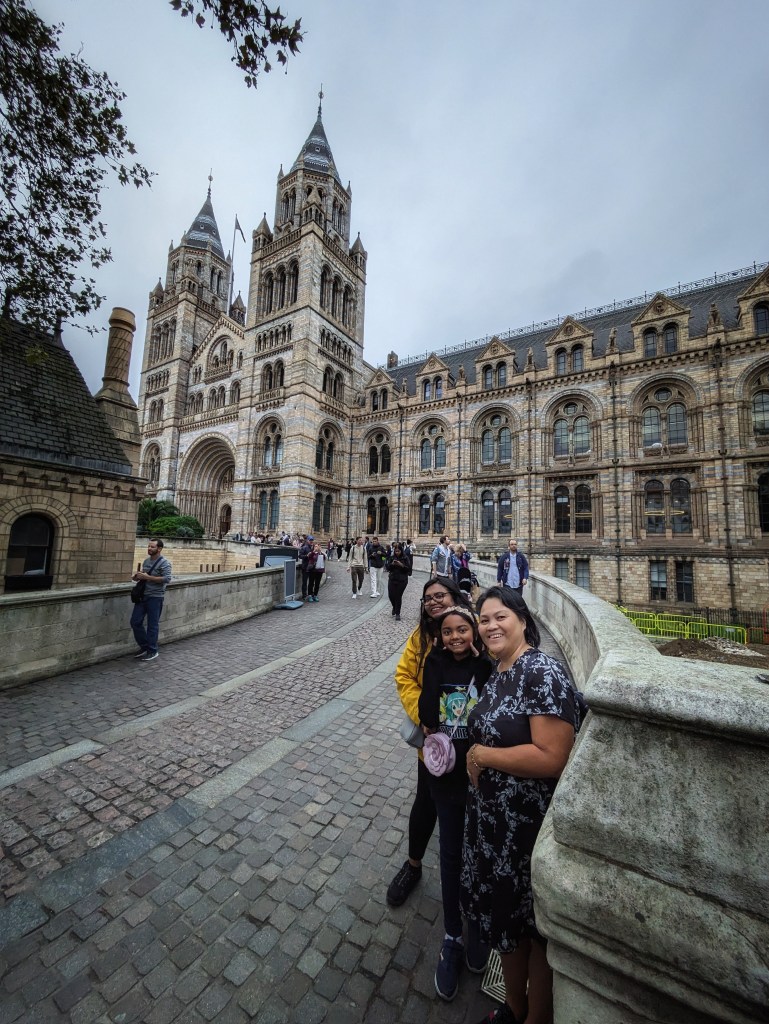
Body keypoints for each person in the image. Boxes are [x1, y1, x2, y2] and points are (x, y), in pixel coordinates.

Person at [461, 586, 582, 1024]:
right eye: (484, 619)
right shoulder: (500, 670)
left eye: (500, 617)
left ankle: (536, 1017)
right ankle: (514, 1007)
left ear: (523, 621)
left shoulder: (541, 671)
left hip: (525, 830)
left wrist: (482, 755)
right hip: (495, 828)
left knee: (532, 932)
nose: (490, 625)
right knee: (508, 928)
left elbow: (553, 757)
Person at [418, 605, 493, 1001]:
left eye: (463, 629)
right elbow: (427, 714)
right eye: (448, 632)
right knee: (450, 854)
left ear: (473, 632)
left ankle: (476, 922)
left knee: (477, 851)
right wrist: (434, 661)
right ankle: (452, 935)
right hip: (445, 777)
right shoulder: (436, 662)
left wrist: (484, 662)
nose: (455, 637)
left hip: (480, 778)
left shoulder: (485, 667)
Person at [388, 576, 474, 908]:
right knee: (425, 805)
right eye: (428, 598)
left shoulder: (474, 629)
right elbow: (404, 676)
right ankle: (413, 865)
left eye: (440, 595)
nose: (434, 602)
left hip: (472, 746)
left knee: (468, 812)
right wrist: (423, 715)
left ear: (455, 597)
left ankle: (468, 874)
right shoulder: (421, 637)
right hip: (434, 744)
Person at [130, 538, 172, 662]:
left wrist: (148, 577)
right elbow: (145, 576)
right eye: (148, 546)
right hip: (143, 596)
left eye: (152, 547)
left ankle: (152, 650)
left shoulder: (165, 563)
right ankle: (144, 647)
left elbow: (167, 579)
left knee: (152, 625)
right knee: (135, 622)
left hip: (155, 597)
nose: (149, 548)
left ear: (159, 549)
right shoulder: (146, 561)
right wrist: (138, 577)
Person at [385, 542, 412, 621]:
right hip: (392, 578)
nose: (397, 553)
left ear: (401, 550)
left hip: (402, 580)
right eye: (396, 551)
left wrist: (401, 565)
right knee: (391, 595)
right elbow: (387, 568)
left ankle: (397, 613)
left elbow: (408, 569)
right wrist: (392, 564)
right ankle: (394, 606)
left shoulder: (405, 558)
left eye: (398, 551)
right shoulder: (392, 557)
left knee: (398, 596)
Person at [298, 534, 314, 601]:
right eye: (310, 540)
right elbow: (300, 556)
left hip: (312, 567)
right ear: (307, 540)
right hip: (305, 567)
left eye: (312, 540)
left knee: (311, 582)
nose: (311, 541)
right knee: (304, 582)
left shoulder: (313, 547)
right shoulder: (304, 547)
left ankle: (310, 594)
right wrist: (306, 556)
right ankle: (304, 595)